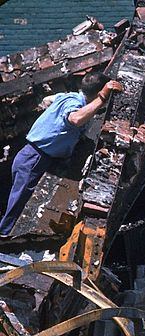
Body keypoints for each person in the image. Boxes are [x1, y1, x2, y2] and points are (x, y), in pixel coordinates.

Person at [1, 73, 123, 237]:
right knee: (19, 205)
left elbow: (47, 100)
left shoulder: (67, 97)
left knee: (21, 201)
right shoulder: (74, 103)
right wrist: (102, 97)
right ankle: (5, 240)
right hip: (35, 157)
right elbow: (75, 119)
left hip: (32, 155)